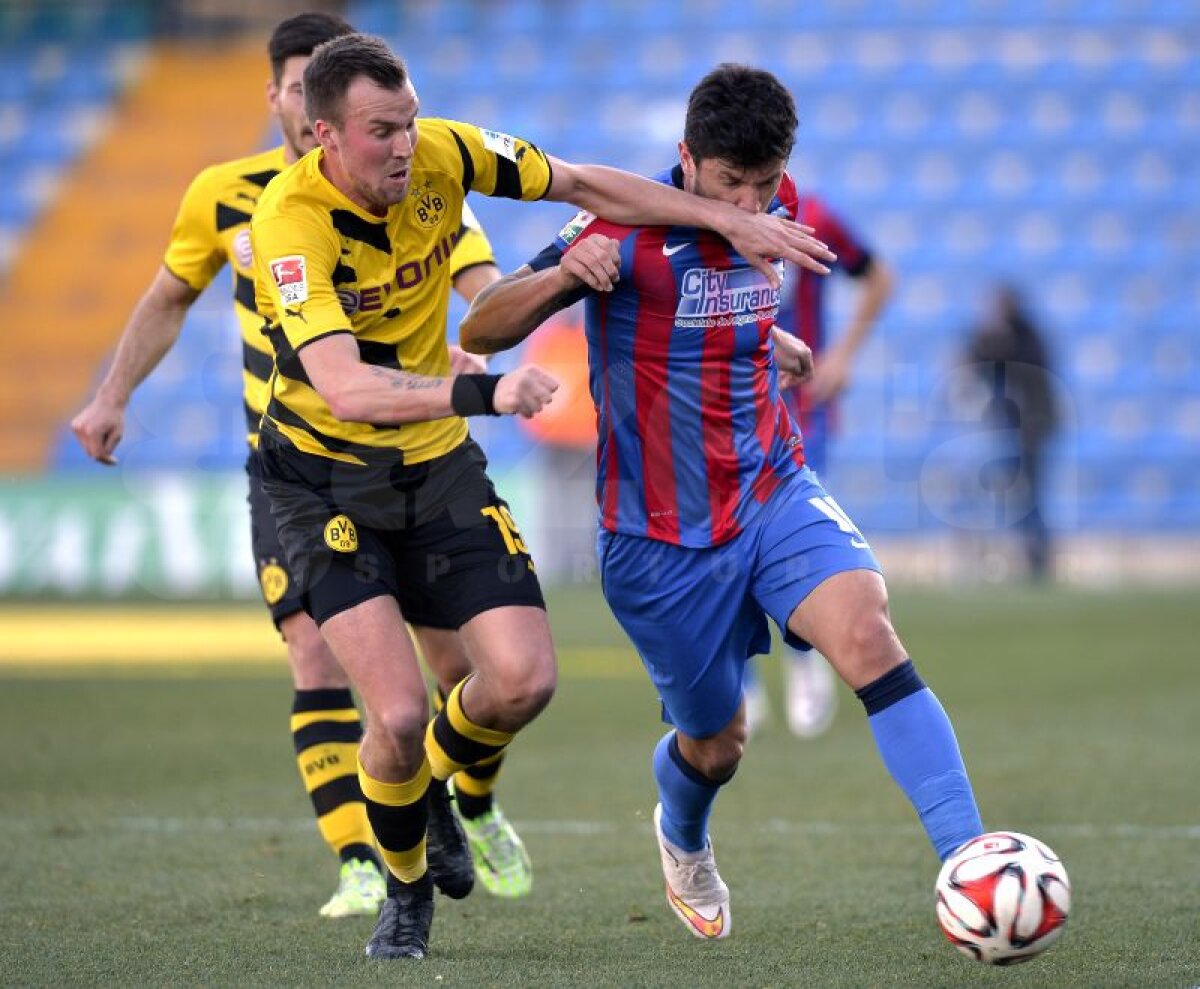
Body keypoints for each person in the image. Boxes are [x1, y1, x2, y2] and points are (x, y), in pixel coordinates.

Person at [248, 35, 834, 960]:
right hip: (325, 475)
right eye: (380, 132)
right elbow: (344, 387)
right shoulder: (287, 224)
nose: (404, 146)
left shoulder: (447, 152)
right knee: (396, 715)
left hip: (434, 463)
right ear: (323, 135)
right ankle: (406, 895)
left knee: (524, 680)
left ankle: (440, 788)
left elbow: (588, 187)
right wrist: (490, 389)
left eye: (408, 123)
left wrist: (730, 224)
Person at [459, 63, 984, 942]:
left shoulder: (788, 214)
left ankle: (972, 860)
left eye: (763, 183)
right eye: (728, 183)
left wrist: (768, 338)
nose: (747, 201)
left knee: (866, 629)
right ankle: (684, 832)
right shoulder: (617, 225)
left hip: (773, 484)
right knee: (717, 744)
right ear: (685, 161)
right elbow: (480, 330)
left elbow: (708, 305)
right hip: (658, 536)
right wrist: (560, 280)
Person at [69, 12, 531, 916]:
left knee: (459, 669)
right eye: (295, 80)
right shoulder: (227, 196)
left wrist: (482, 339)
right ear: (285, 99)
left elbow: (483, 284)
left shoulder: (412, 179)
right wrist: (110, 393)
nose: (305, 92)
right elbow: (168, 297)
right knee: (316, 654)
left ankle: (465, 796)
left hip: (412, 456)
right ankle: (363, 859)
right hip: (293, 466)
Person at [742, 191, 895, 738]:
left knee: (791, 534)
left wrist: (843, 356)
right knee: (726, 538)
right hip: (724, 409)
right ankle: (742, 678)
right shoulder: (704, 216)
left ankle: (802, 653)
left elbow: (879, 276)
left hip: (801, 406)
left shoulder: (818, 216)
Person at [962, 281, 1059, 580]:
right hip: (1017, 427)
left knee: (1028, 492)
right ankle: (1031, 554)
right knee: (1019, 491)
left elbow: (1023, 369)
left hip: (1033, 426)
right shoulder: (1012, 338)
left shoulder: (1026, 337)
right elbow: (979, 361)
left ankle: (1038, 556)